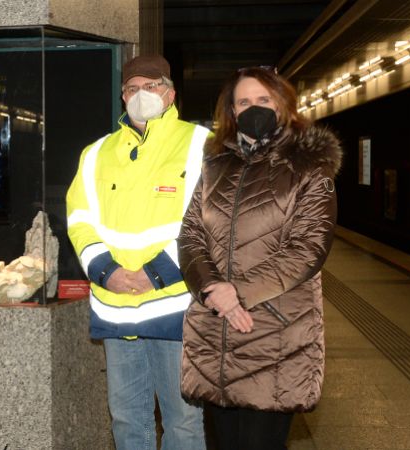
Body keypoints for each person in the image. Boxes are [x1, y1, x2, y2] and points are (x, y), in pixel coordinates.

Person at [178, 66, 341, 449]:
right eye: (243, 102)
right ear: (232, 113)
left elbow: (308, 247)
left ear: (283, 105)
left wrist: (238, 292)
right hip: (216, 332)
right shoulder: (215, 165)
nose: (254, 108)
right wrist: (213, 288)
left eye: (263, 100)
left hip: (273, 333)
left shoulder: (308, 167)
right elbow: (190, 233)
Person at [66, 54, 211, 450]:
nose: (141, 94)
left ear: (170, 93)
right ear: (122, 97)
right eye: (132, 88)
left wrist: (155, 274)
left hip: (175, 308)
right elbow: (80, 218)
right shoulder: (96, 153)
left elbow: (206, 220)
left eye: (152, 86)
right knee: (128, 419)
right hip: (116, 307)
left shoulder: (200, 144)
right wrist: (105, 270)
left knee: (182, 421)